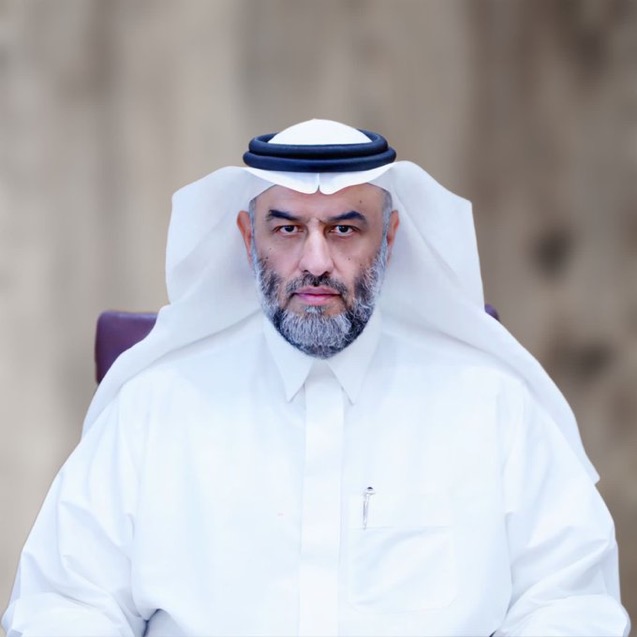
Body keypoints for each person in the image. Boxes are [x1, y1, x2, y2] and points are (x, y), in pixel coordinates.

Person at [2, 119, 630, 636]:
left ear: (390, 238)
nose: (316, 261)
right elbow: (65, 604)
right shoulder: (156, 407)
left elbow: (569, 602)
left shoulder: (492, 405)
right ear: (247, 237)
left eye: (344, 229)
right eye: (287, 228)